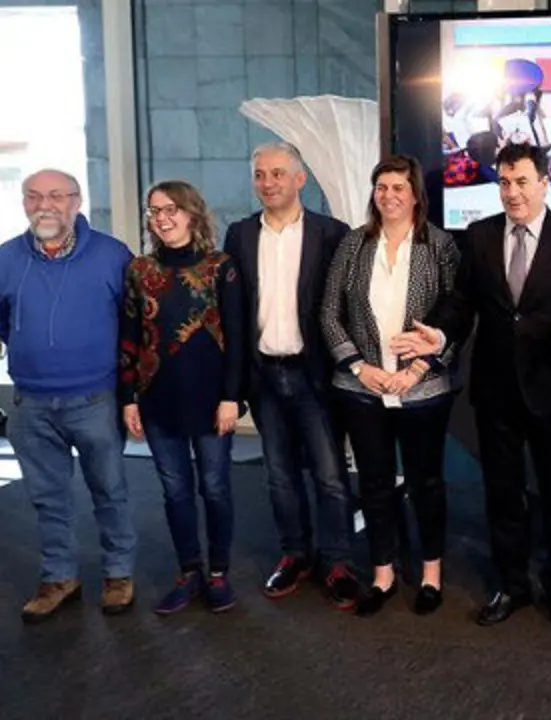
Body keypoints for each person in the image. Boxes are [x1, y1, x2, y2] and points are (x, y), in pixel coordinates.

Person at [400, 142, 551, 630]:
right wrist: (441, 332)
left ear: (544, 184)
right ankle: (512, 585)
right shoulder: (480, 235)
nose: (512, 193)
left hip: (550, 387)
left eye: (522, 182)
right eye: (505, 183)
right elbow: (462, 301)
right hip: (494, 388)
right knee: (502, 492)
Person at [320, 155, 463, 617]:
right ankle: (382, 574)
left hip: (423, 389)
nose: (389, 195)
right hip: (363, 388)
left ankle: (430, 574)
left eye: (399, 187)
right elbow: (329, 314)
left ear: (416, 194)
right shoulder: (352, 245)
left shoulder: (440, 246)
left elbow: (457, 318)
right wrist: (361, 368)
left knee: (427, 484)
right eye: (381, 187)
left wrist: (418, 369)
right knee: (376, 483)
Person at [222, 142, 360, 609]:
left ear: (301, 180)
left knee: (330, 474)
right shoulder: (239, 235)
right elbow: (234, 314)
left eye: (278, 174)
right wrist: (235, 385)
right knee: (279, 476)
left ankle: (338, 560)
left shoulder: (331, 234)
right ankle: (295, 554)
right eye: (260, 174)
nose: (268, 183)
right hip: (265, 376)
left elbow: (345, 307)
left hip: (314, 375)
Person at [1, 169, 137, 622]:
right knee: (46, 496)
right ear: (23, 204)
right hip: (30, 403)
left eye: (57, 196)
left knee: (110, 490)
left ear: (77, 202)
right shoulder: (6, 259)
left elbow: (134, 325)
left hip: (95, 398)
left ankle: (119, 574)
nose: (46, 205)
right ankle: (59, 577)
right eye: (35, 196)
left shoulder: (112, 256)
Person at [119, 181, 246, 615]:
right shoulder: (139, 270)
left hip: (212, 400)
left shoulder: (220, 267)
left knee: (214, 488)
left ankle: (219, 574)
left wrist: (233, 397)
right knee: (175, 492)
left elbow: (237, 338)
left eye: (171, 209)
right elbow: (130, 338)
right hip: (157, 399)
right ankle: (189, 571)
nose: (162, 218)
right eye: (154, 211)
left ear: (192, 213)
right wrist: (128, 398)